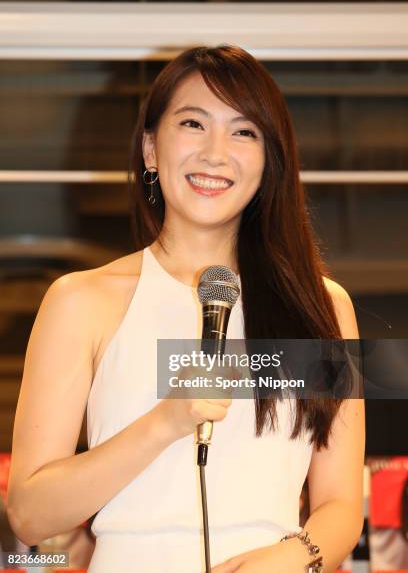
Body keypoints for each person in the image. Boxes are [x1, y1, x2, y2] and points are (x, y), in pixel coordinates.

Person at [6, 44, 365, 572]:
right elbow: (29, 514)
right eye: (194, 124)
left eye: (244, 132)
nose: (216, 153)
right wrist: (166, 420)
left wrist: (288, 560)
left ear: (269, 160)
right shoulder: (80, 301)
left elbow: (341, 503)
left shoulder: (322, 308)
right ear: (151, 149)